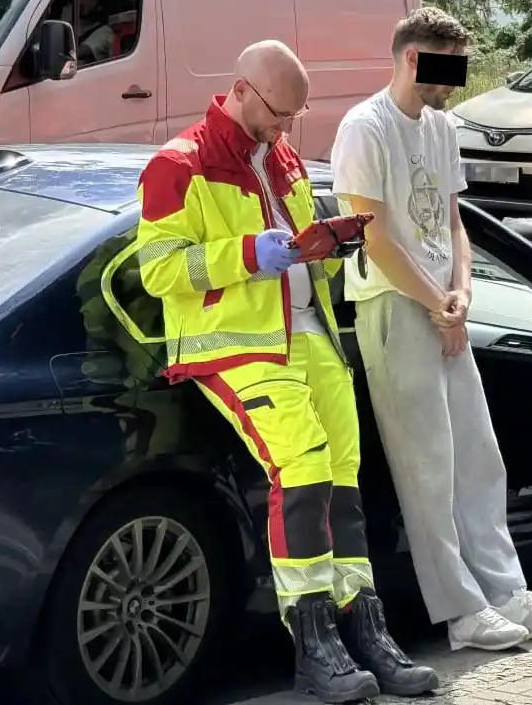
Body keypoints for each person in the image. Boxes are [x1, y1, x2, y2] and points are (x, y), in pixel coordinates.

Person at [135, 40, 437, 702]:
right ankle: (314, 644)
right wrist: (247, 253)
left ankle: (364, 629)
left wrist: (331, 243)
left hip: (309, 338)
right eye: (278, 112)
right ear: (241, 88)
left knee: (342, 477)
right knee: (300, 468)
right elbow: (157, 270)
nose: (286, 128)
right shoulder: (179, 165)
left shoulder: (282, 156)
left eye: (294, 116)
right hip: (237, 348)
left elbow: (302, 253)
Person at [329, 7, 532, 652]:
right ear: (412, 57)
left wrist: (460, 293)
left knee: (477, 459)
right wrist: (439, 303)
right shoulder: (365, 127)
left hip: (444, 308)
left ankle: (505, 591)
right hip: (395, 307)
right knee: (428, 469)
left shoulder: (441, 127)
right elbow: (372, 233)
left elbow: (454, 220)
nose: (454, 82)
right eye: (447, 67)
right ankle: (462, 612)